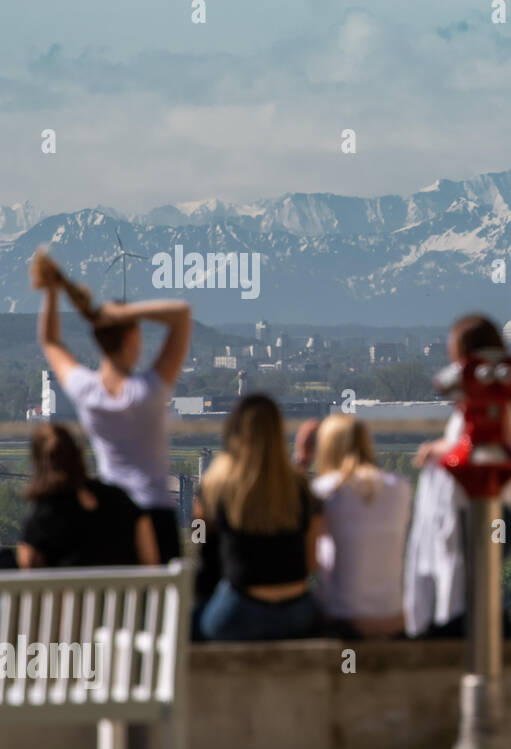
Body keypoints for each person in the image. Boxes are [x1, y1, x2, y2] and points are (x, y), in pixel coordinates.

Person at [30, 249, 192, 563]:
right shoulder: (148, 392)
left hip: (110, 517)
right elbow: (181, 313)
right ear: (132, 336)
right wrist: (124, 314)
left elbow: (50, 342)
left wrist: (51, 291)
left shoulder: (88, 392)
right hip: (156, 514)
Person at [406, 314, 511, 638]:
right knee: (475, 594)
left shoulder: (493, 401)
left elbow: (481, 445)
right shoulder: (489, 400)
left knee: (473, 596)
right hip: (477, 511)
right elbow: (467, 440)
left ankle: (484, 656)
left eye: (454, 351)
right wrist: (439, 448)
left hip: (484, 512)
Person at [192, 394, 324, 641]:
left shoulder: (214, 487)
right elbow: (310, 563)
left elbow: (202, 551)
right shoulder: (300, 490)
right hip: (298, 611)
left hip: (239, 610)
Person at [311, 414, 412, 638]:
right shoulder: (400, 488)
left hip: (341, 620)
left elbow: (307, 560)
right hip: (393, 618)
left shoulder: (324, 491)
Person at [17, 423, 159, 568]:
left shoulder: (42, 518)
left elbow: (29, 567)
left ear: (37, 462)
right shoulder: (118, 500)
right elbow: (150, 559)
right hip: (126, 589)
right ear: (77, 455)